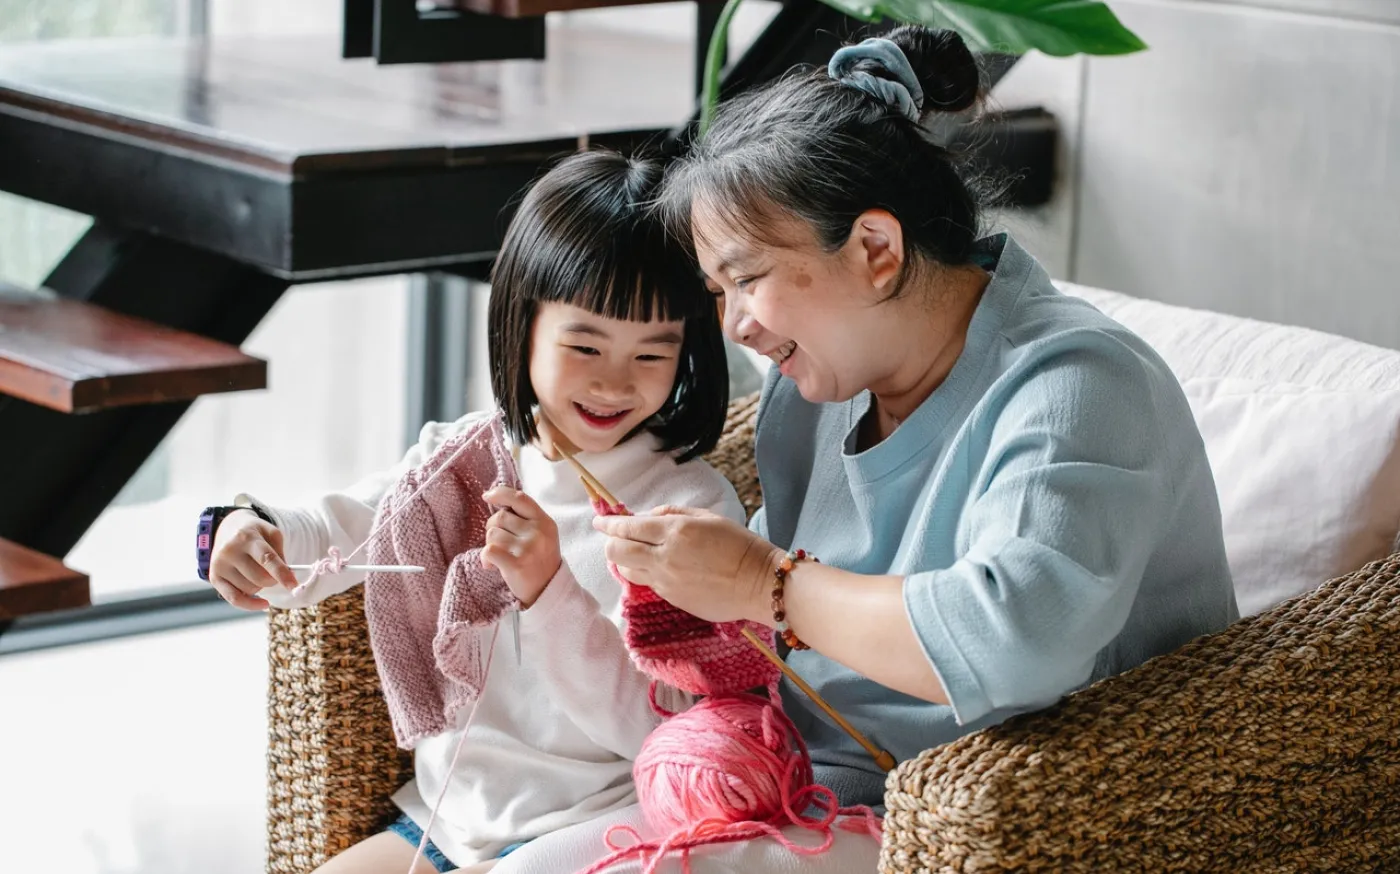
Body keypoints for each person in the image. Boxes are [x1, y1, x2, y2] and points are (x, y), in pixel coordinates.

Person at [498, 25, 1239, 874]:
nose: (734, 324)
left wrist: (758, 583)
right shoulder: (817, 389)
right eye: (718, 291)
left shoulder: (1080, 384)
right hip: (800, 782)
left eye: (746, 279)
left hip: (986, 817)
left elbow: (1016, 641)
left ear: (876, 252)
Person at [200, 150, 745, 874]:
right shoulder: (460, 462)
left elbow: (658, 725)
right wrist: (239, 530)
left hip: (600, 828)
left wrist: (551, 590)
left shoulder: (688, 511)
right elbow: (337, 533)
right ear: (522, 327)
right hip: (447, 823)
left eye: (653, 355)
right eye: (584, 345)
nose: (615, 381)